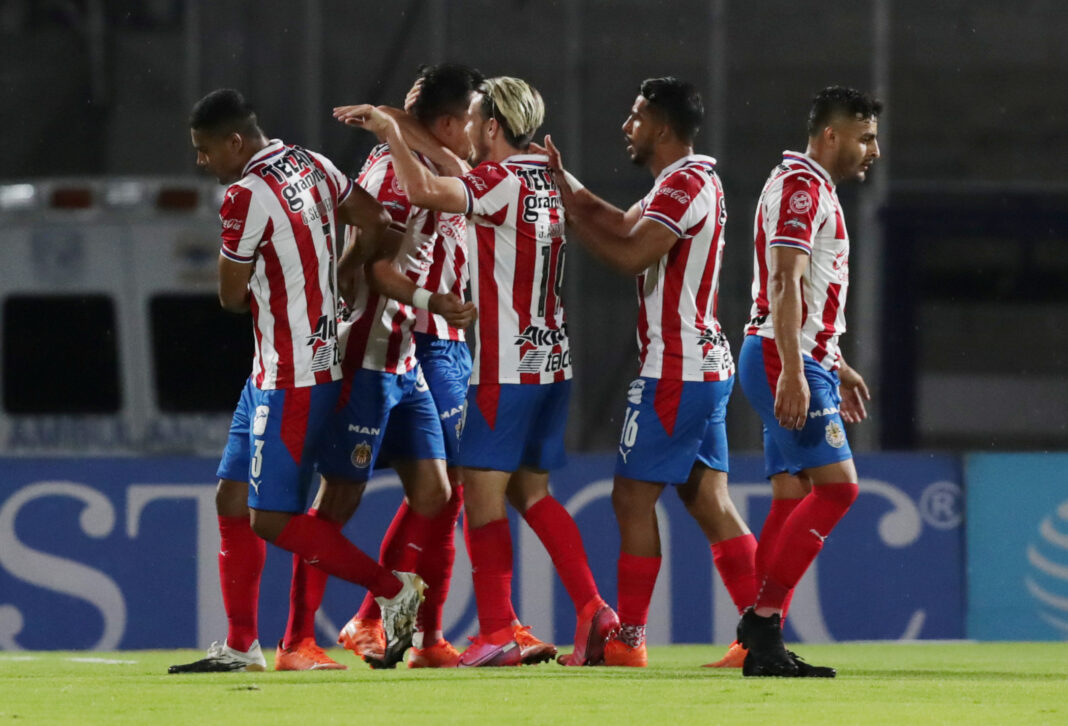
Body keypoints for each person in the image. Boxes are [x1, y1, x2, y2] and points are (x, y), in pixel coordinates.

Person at [336, 76, 619, 667]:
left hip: (502, 366)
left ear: (491, 126)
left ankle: (494, 630)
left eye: (474, 119)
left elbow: (423, 186)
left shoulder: (496, 183)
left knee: (480, 500)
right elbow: (582, 208)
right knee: (534, 496)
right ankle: (594, 608)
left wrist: (390, 129)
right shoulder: (548, 174)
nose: (465, 129)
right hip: (553, 361)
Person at [169, 89, 425, 673]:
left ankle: (392, 590)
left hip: (294, 375)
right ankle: (240, 647)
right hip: (278, 368)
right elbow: (377, 221)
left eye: (205, 151)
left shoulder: (243, 195)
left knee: (271, 518)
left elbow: (231, 297)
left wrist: (286, 277)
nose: (202, 162)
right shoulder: (312, 163)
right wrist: (337, 272)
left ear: (234, 141)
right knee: (231, 497)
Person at [543, 77, 757, 668]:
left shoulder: (684, 184)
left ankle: (628, 640)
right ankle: (759, 634)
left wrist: (563, 214)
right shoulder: (689, 180)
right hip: (704, 362)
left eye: (636, 117)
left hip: (679, 368)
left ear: (662, 128)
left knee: (631, 499)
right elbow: (621, 223)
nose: (626, 126)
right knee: (709, 501)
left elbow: (629, 253)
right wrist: (567, 185)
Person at [303, 63, 480, 669]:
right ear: (453, 123)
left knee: (435, 492)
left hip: (404, 358)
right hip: (368, 355)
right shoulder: (402, 177)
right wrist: (436, 302)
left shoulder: (425, 163)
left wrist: (394, 124)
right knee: (338, 501)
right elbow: (375, 268)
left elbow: (456, 168)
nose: (478, 132)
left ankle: (374, 621)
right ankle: (298, 639)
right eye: (473, 120)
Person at [733, 85, 880, 677]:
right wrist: (796, 370)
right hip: (781, 358)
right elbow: (784, 283)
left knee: (791, 498)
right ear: (830, 136)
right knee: (839, 489)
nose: (874, 149)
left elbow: (807, 291)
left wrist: (831, 359)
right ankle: (763, 620)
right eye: (866, 137)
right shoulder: (802, 187)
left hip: (793, 354)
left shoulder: (807, 185)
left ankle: (763, 643)